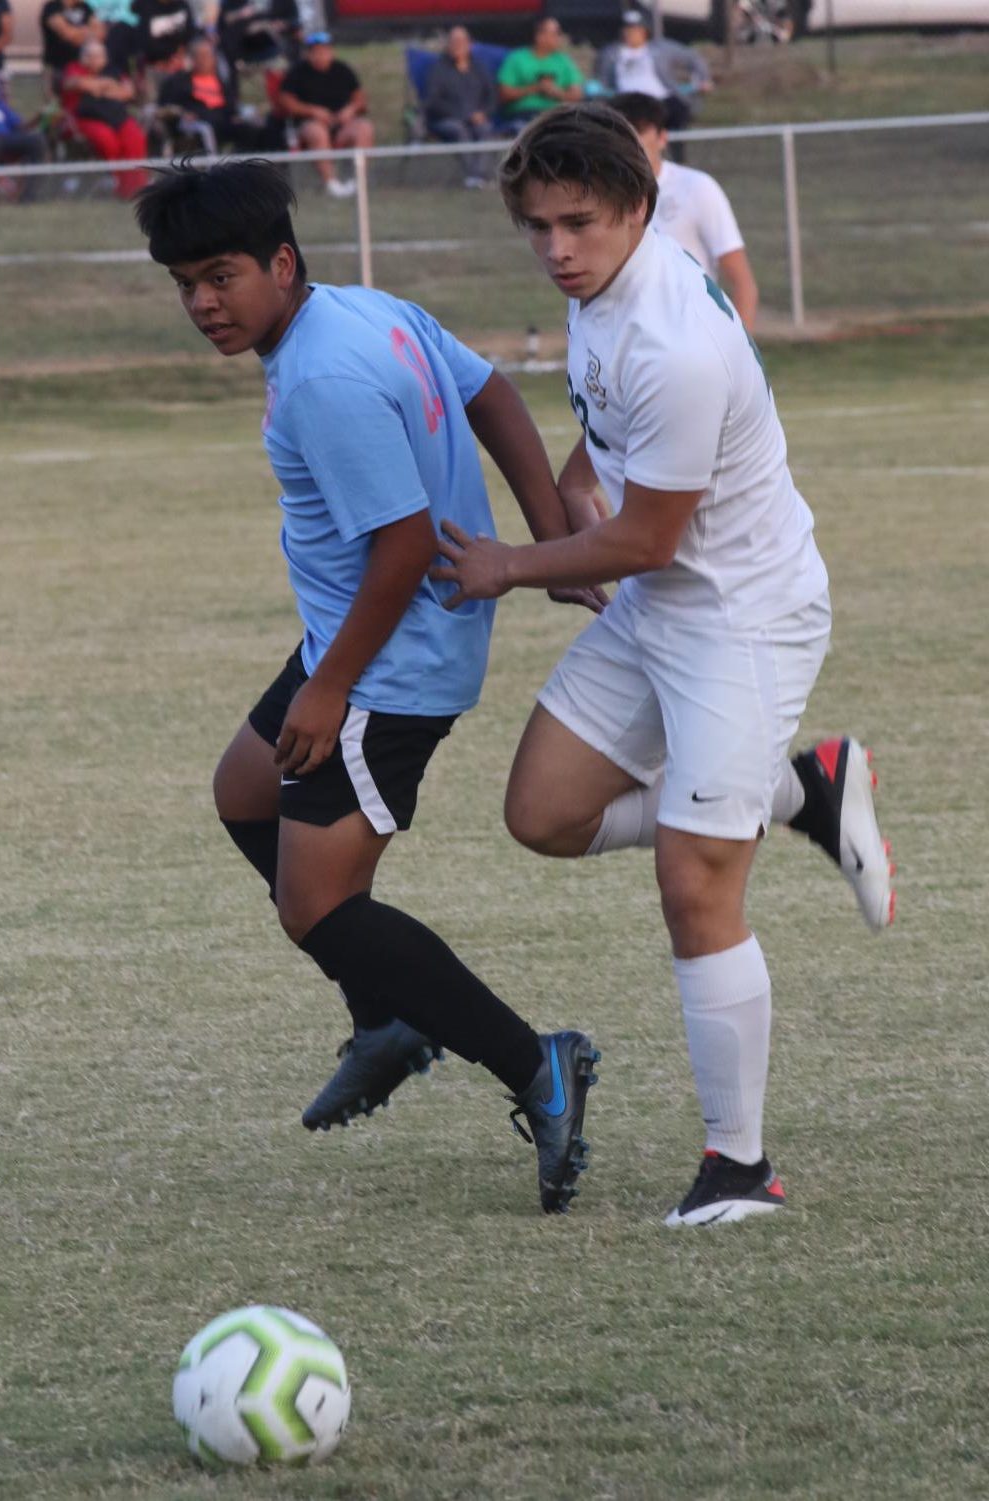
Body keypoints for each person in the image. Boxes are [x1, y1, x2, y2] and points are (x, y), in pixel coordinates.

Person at [433, 104, 894, 1228]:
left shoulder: (674, 344)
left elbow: (647, 538)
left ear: (638, 206)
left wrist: (514, 561)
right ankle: (803, 789)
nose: (555, 248)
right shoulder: (609, 290)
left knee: (693, 881)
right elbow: (608, 429)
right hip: (660, 606)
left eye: (577, 223)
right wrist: (580, 479)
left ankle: (739, 1168)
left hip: (740, 617)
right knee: (542, 811)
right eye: (536, 225)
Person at [133, 158, 602, 1216]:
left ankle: (536, 1062)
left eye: (219, 276)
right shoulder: (362, 312)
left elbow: (398, 546)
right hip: (355, 643)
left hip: (387, 668)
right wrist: (544, 534)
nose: (203, 302)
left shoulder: (322, 379)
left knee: (318, 904)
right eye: (183, 283)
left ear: (280, 263)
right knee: (244, 791)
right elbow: (488, 389)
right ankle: (386, 1017)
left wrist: (327, 689)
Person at [613, 90, 758, 331]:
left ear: (662, 137)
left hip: (692, 335)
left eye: (638, 130)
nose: (630, 143)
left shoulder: (697, 188)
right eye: (621, 133)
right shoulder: (603, 199)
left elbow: (743, 283)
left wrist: (742, 356)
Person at [595, 9, 711, 157]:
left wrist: (702, 78)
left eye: (635, 29)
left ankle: (677, 157)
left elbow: (693, 58)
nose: (630, 33)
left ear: (644, 31)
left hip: (662, 99)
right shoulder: (610, 54)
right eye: (627, 28)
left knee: (677, 111)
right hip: (629, 102)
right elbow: (603, 81)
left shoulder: (660, 49)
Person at [276, 30, 373, 198]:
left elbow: (360, 99)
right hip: (310, 126)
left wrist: (350, 110)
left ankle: (358, 181)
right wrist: (313, 111)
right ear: (309, 53)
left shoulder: (342, 70)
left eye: (325, 50)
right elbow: (286, 101)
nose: (321, 55)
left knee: (364, 128)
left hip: (342, 125)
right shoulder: (297, 73)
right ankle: (332, 184)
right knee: (317, 132)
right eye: (316, 51)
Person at [157, 36, 285, 153]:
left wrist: (237, 115)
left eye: (208, 56)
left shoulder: (221, 81)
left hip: (223, 120)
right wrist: (182, 113)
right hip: (199, 123)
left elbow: (231, 105)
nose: (204, 60)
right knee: (207, 130)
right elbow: (168, 107)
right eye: (200, 56)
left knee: (257, 130)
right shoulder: (178, 82)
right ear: (192, 59)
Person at [61, 36, 147, 197]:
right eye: (90, 56)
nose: (94, 60)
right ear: (83, 57)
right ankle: (115, 183)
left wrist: (98, 87)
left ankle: (134, 187)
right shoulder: (74, 68)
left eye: (99, 56)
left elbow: (127, 92)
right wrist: (107, 85)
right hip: (85, 119)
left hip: (115, 115)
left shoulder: (113, 70)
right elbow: (74, 84)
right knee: (107, 140)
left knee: (134, 136)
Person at [424, 25, 496, 190]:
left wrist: (483, 113)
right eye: (454, 41)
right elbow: (433, 102)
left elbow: (491, 98)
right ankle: (472, 176)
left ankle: (481, 175)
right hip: (446, 120)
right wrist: (464, 115)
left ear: (469, 44)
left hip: (477, 119)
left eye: (461, 41)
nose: (458, 44)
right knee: (459, 130)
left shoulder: (479, 68)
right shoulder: (439, 70)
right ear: (448, 44)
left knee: (484, 129)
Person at [496, 16, 583, 134]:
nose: (559, 37)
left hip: (556, 114)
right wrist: (536, 88)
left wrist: (556, 92)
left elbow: (577, 95)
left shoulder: (564, 61)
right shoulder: (517, 58)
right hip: (524, 115)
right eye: (555, 33)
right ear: (539, 36)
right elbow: (504, 94)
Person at [0, 91, 47, 197]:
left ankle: (29, 196)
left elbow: (22, 127)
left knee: (36, 140)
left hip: (6, 139)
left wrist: (39, 117)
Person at [39, 0, 104, 95]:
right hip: (56, 66)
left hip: (80, 66)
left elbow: (100, 33)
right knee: (54, 104)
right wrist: (87, 31)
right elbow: (66, 33)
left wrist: (77, 34)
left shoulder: (86, 8)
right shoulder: (52, 7)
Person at [216, 0, 300, 72]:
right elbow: (222, 27)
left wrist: (282, 24)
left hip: (278, 54)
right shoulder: (232, 4)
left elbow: (295, 23)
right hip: (246, 60)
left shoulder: (284, 2)